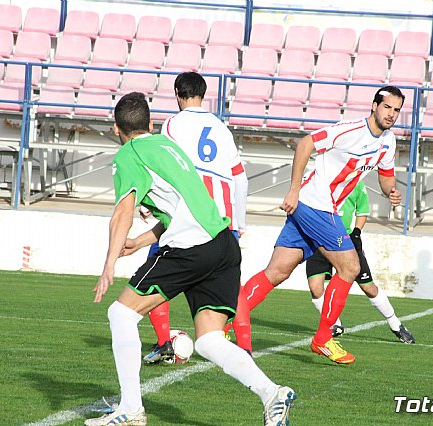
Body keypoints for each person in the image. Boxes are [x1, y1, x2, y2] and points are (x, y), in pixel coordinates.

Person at [85, 92, 295, 426]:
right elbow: (181, 206)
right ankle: (273, 394)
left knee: (120, 314)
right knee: (210, 340)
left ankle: (130, 410)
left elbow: (123, 210)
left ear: (116, 129)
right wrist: (140, 241)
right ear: (150, 123)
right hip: (223, 243)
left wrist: (109, 263)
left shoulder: (130, 154)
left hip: (191, 247)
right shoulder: (168, 147)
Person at [237, 86, 404, 366]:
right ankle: (323, 338)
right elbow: (306, 144)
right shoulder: (349, 130)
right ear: (374, 106)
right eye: (387, 107)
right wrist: (292, 190)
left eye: (397, 110)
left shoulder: (389, 141)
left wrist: (391, 191)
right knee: (350, 267)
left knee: (277, 271)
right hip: (316, 204)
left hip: (316, 206)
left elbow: (386, 176)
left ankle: (226, 322)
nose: (392, 114)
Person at [142, 72, 253, 364]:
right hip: (222, 224)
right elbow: (240, 180)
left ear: (178, 93)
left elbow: (165, 166)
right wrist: (238, 223)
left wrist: (150, 203)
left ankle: (165, 342)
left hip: (188, 218)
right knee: (230, 285)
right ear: (204, 95)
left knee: (154, 275)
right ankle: (244, 347)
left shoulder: (173, 124)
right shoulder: (221, 128)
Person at [305, 181, 415, 344]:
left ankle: (395, 323)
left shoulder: (357, 183)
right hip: (319, 237)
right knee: (315, 286)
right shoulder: (319, 179)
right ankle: (335, 324)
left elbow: (362, 211)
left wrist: (356, 234)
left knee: (369, 288)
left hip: (346, 239)